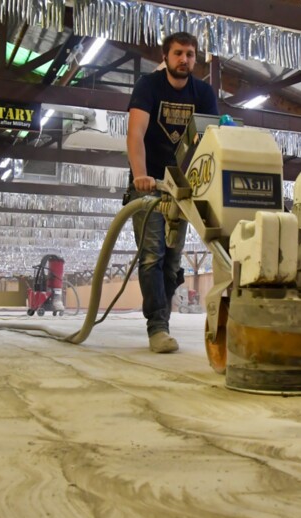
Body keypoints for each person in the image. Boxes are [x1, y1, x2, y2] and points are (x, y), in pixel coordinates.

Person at [126, 32, 219, 353]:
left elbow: (209, 141)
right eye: (178, 53)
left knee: (172, 260)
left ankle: (161, 319)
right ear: (165, 57)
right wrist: (140, 176)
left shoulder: (203, 93)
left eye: (190, 54)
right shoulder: (148, 87)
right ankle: (157, 327)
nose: (185, 59)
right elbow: (135, 134)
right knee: (153, 255)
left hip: (180, 187)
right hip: (148, 183)